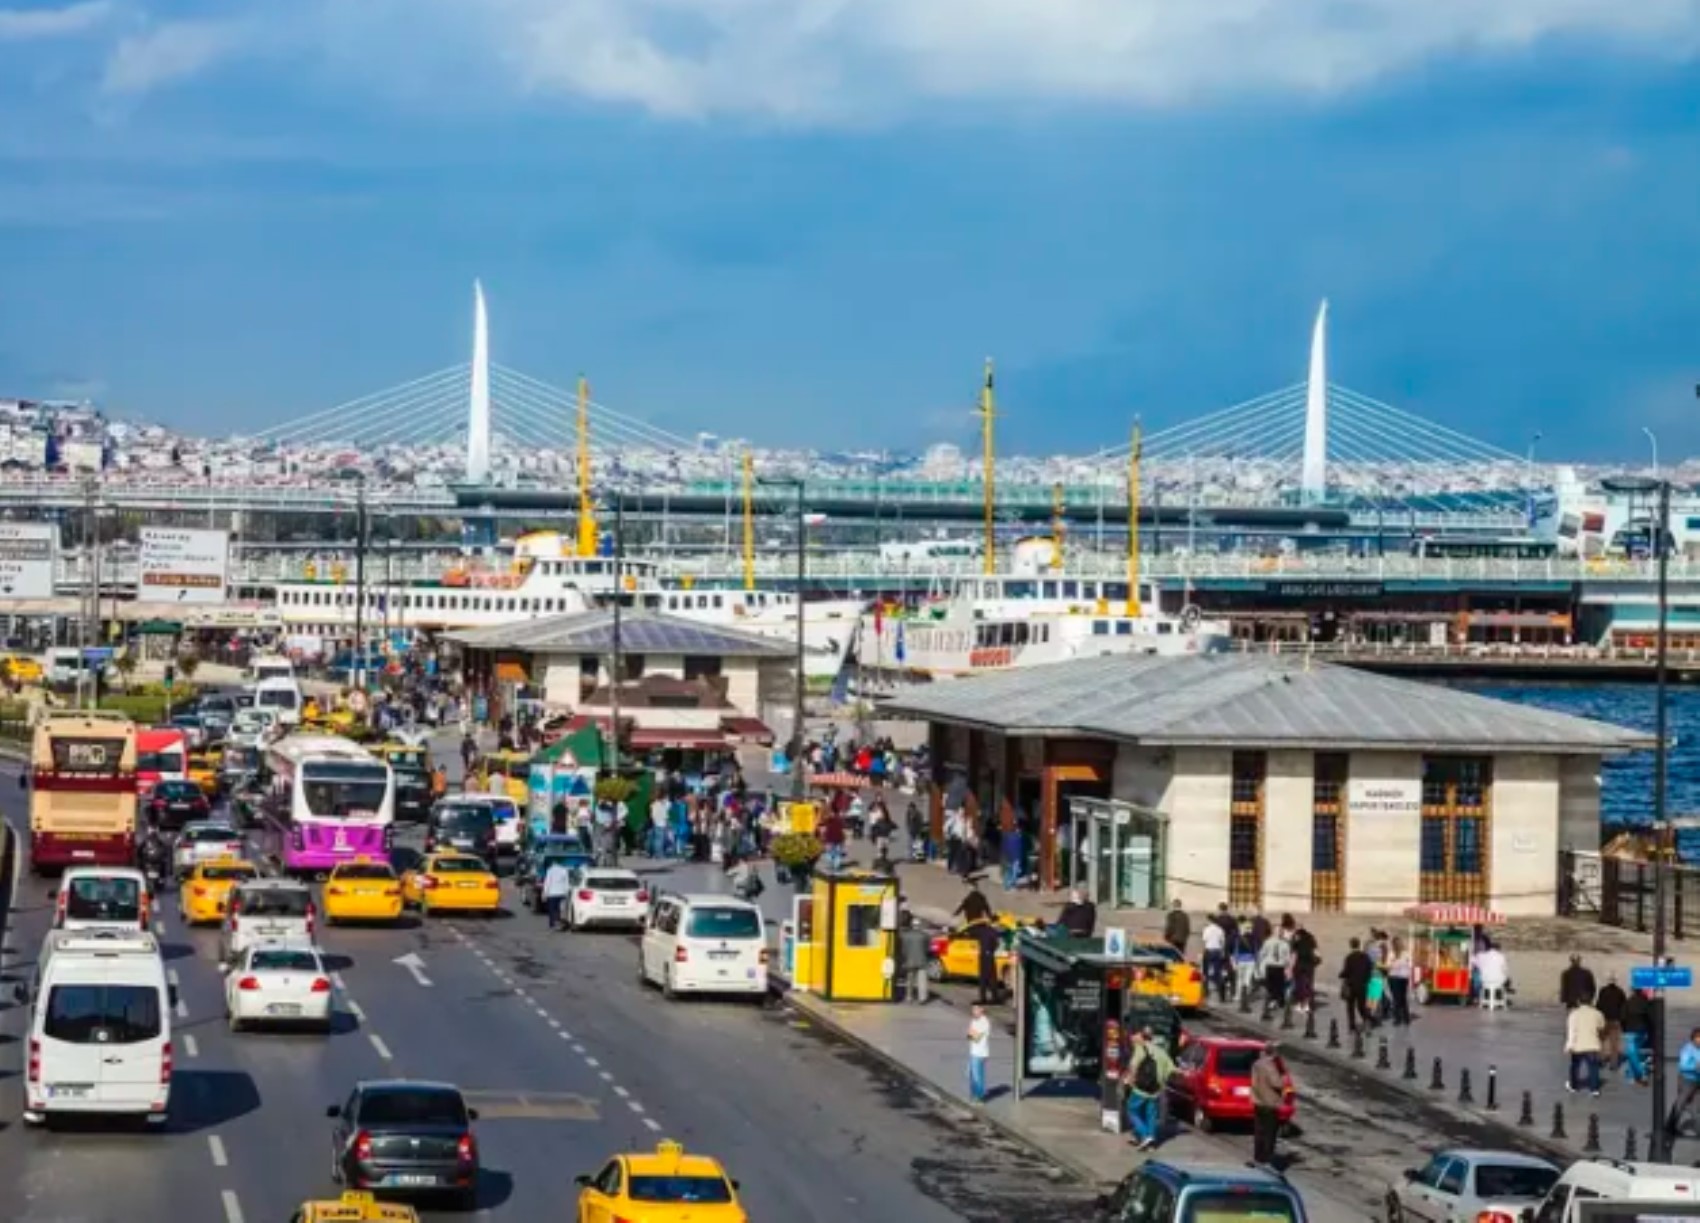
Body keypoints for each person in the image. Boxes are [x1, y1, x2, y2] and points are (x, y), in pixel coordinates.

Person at [1122, 1028, 1173, 1151]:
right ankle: (1151, 1143)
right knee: (1151, 1115)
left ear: (1141, 1037)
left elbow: (1133, 1066)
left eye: (1136, 1035)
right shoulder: (1161, 1051)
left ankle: (1145, 1135)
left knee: (1131, 1110)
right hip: (1155, 1090)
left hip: (1141, 1088)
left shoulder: (1141, 1048)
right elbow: (1171, 1069)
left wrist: (1129, 1080)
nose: (1133, 1037)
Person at [1250, 1042, 1286, 1167]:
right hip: (1269, 1104)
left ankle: (1257, 1156)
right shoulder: (1269, 1066)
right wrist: (1282, 1076)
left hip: (1258, 1102)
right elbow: (1277, 1083)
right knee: (1269, 1133)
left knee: (1259, 1131)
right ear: (1273, 1053)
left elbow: (1254, 1083)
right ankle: (1267, 1158)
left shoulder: (1256, 1064)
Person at [1566, 992, 1605, 1097]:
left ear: (1579, 1002)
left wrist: (1569, 1045)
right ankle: (1594, 1089)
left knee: (1575, 1066)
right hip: (1592, 1045)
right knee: (1593, 1067)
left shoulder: (1574, 1014)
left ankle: (1573, 1086)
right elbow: (1601, 1028)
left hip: (1578, 1045)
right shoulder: (1597, 1013)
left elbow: (1571, 1031)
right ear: (1591, 1002)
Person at [1668, 1028, 1700, 1139]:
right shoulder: (1687, 1049)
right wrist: (1695, 1067)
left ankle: (1698, 1128)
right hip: (1687, 1080)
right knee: (1681, 1103)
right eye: (1698, 1038)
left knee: (1695, 1105)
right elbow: (1683, 1066)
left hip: (1697, 1081)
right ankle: (1670, 1127)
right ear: (1693, 1038)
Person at [1339, 937, 1375, 1032]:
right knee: (1362, 1006)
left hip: (1351, 986)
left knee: (1350, 1006)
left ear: (1351, 945)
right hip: (1363, 986)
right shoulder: (1365, 956)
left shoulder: (1349, 957)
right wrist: (1367, 980)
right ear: (1359, 945)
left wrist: (1341, 975)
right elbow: (1370, 969)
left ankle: (1351, 1025)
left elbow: (1346, 972)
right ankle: (1368, 1021)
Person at [898, 911, 932, 1005]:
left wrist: (905, 957)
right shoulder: (925, 936)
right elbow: (928, 948)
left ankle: (909, 997)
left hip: (910, 961)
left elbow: (903, 950)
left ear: (912, 925)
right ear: (919, 925)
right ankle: (922, 998)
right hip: (922, 961)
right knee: (922, 980)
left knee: (910, 980)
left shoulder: (905, 936)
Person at [1622, 987, 1653, 1085]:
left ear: (1633, 991)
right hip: (1642, 1031)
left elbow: (1622, 1017)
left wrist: (1624, 1028)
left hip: (1630, 1031)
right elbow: (1650, 1017)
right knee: (1636, 1053)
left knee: (1632, 1053)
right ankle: (1632, 1075)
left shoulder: (1628, 1002)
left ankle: (1640, 1074)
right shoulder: (1646, 1002)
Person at [1597, 973, 1627, 1070]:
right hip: (1615, 1021)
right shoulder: (1620, 992)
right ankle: (1614, 1064)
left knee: (1601, 1041)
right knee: (1614, 1044)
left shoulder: (1603, 991)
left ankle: (1600, 1060)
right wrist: (1623, 1021)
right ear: (1615, 981)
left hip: (1604, 1020)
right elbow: (1624, 1007)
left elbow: (1599, 1005)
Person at [966, 1004, 991, 1104]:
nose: (974, 1011)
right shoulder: (973, 1021)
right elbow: (970, 1036)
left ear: (982, 1009)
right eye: (973, 1009)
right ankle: (974, 1094)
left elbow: (975, 1037)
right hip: (973, 1051)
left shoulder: (984, 1022)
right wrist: (971, 1034)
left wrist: (971, 1033)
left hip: (980, 1052)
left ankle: (980, 1096)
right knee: (972, 1074)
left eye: (976, 1009)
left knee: (977, 1076)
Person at [1386, 936, 1413, 1026]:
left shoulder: (1406, 953)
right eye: (1396, 943)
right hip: (1393, 977)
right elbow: (1389, 965)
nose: (1398, 945)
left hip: (1403, 978)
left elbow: (1409, 964)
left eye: (1399, 943)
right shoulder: (1391, 954)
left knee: (1402, 998)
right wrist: (1397, 963)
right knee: (1396, 998)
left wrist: (1396, 963)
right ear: (1394, 944)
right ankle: (1399, 1018)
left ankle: (1405, 1017)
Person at [541, 856, 573, 931]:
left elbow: (547, 882)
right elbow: (567, 883)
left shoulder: (550, 870)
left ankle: (552, 924)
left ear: (553, 863)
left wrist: (544, 893)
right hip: (561, 893)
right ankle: (558, 922)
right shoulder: (564, 870)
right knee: (559, 909)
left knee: (552, 909)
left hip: (552, 893)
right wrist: (566, 892)